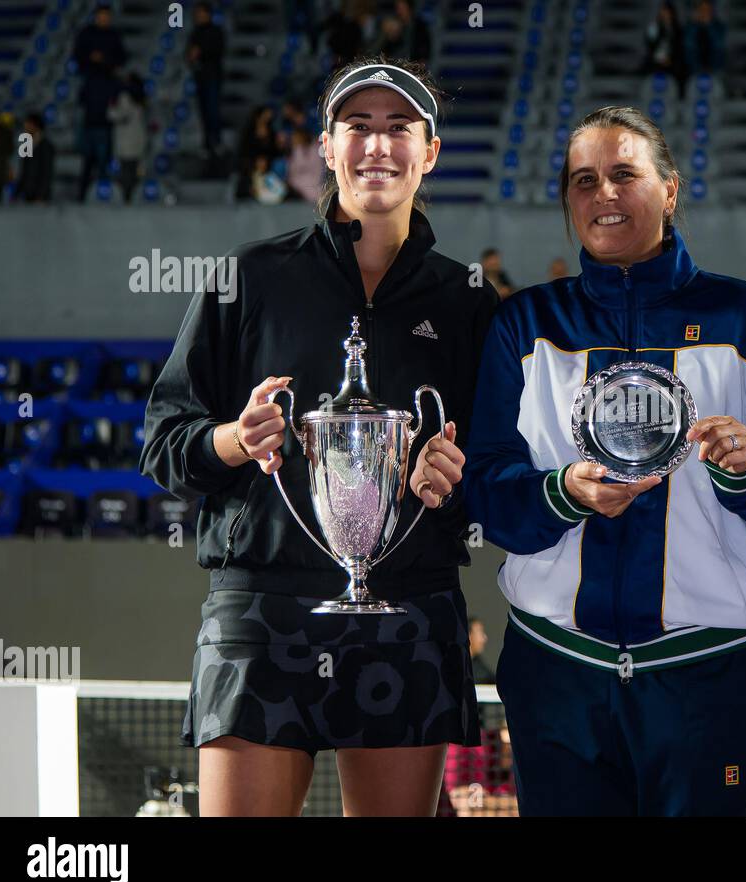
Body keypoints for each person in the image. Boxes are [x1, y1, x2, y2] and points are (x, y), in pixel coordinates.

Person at [140, 57, 497, 816]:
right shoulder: (248, 279)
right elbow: (165, 442)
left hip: (407, 608)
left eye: (399, 127)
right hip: (261, 609)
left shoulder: (467, 300)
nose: (377, 145)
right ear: (327, 148)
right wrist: (234, 440)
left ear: (429, 152)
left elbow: (500, 468)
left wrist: (454, 473)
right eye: (356, 127)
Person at [464, 105, 746, 816]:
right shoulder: (524, 324)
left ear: (671, 189)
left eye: (625, 174)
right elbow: (486, 492)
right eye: (584, 180)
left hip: (708, 672)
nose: (605, 194)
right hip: (557, 667)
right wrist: (562, 493)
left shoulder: (745, 319)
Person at [72, 4, 126, 201]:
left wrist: (104, 61)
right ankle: (83, 194)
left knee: (105, 158)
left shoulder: (113, 36)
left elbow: (121, 59)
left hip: (105, 117)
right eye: (101, 16)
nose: (104, 19)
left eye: (107, 16)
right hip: (89, 115)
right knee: (87, 159)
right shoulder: (86, 35)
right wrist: (91, 59)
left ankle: (104, 195)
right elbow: (77, 57)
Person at [187, 2, 225, 162]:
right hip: (200, 77)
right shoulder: (195, 32)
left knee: (213, 111)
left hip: (213, 77)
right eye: (197, 14)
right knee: (203, 113)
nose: (199, 17)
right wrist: (191, 56)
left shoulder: (216, 31)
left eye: (202, 13)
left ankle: (216, 142)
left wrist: (200, 52)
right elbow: (188, 54)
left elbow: (218, 51)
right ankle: (207, 144)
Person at [107, 74, 147, 203]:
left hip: (126, 140)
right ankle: (131, 198)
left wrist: (111, 108)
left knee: (126, 172)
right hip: (138, 139)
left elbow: (117, 115)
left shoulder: (124, 97)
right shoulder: (142, 99)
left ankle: (127, 199)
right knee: (134, 171)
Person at [643, 2, 688, 99]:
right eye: (663, 12)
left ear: (672, 13)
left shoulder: (678, 30)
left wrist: (670, 59)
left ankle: (677, 98)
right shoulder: (654, 28)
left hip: (673, 63)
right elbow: (650, 47)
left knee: (680, 69)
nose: (665, 15)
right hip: (656, 62)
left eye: (667, 12)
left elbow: (679, 49)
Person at [15, 113, 55, 202]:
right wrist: (16, 194)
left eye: (28, 124)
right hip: (28, 195)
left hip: (41, 198)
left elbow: (47, 173)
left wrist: (41, 195)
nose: (25, 126)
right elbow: (24, 172)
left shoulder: (46, 146)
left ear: (36, 126)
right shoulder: (27, 145)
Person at [285, 128, 324, 202]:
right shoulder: (296, 150)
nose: (293, 140)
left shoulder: (315, 148)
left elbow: (318, 169)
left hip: (314, 179)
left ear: (303, 137)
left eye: (296, 138)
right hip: (297, 180)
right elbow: (292, 171)